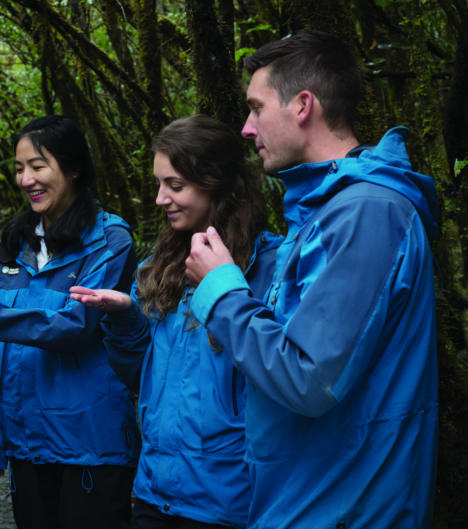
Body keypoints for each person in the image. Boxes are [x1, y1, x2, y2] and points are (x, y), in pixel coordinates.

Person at [184, 31, 439, 528]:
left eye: (256, 108)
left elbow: (309, 379)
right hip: (309, 497)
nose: (245, 128)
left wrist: (221, 293)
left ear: (303, 106)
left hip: (344, 505)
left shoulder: (367, 214)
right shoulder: (328, 213)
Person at [0, 115, 140, 529]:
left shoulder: (110, 241)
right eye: (20, 168)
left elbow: (74, 326)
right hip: (26, 445)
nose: (26, 179)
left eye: (38, 165)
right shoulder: (11, 245)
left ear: (73, 168)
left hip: (89, 445)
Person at [70, 114, 282, 529]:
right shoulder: (159, 267)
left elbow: (282, 378)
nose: (159, 199)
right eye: (158, 184)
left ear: (216, 182)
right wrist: (125, 317)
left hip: (230, 500)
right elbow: (138, 376)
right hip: (155, 491)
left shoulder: (271, 268)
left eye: (175, 186)